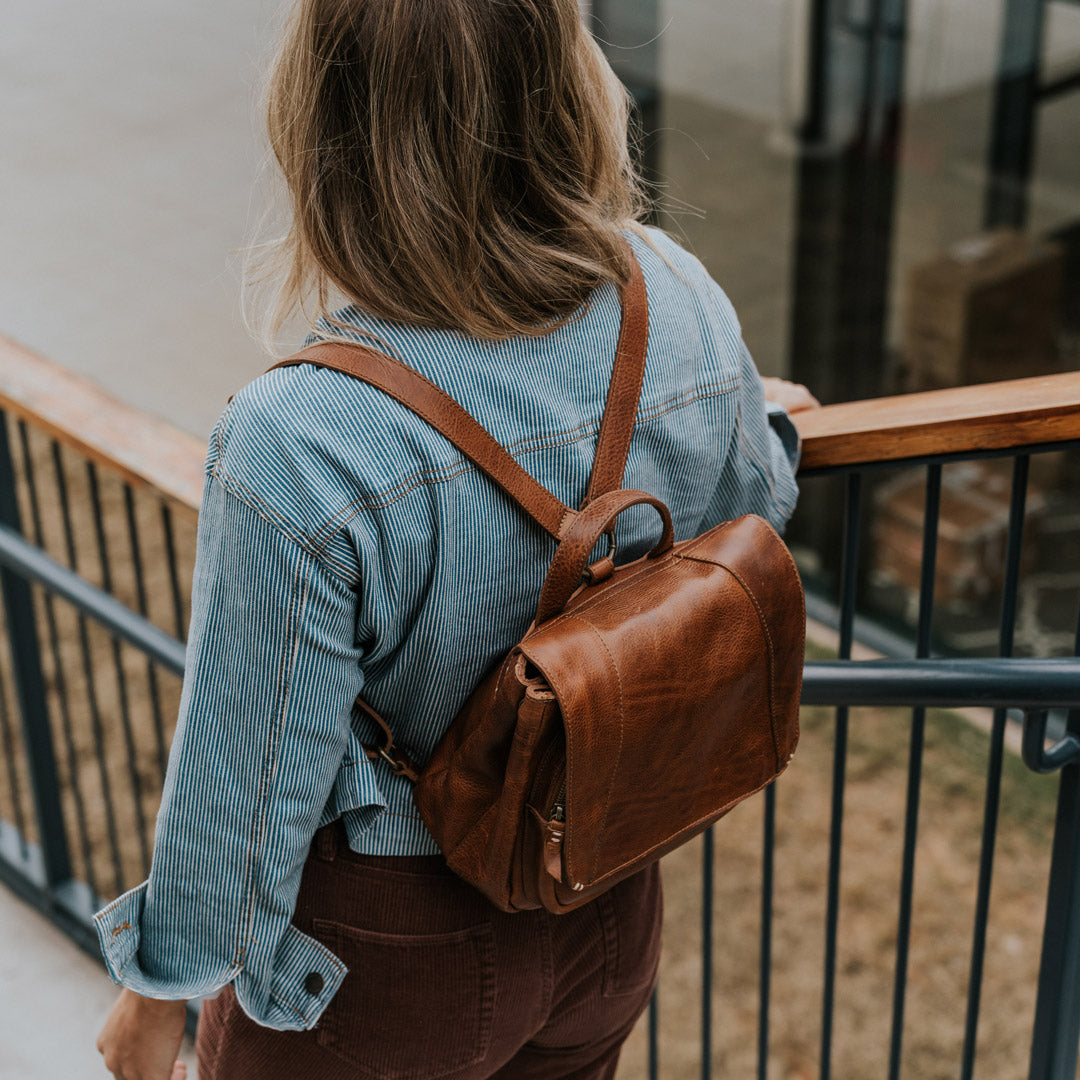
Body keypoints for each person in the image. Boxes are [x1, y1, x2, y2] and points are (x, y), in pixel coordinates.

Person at [93, 2, 819, 1078]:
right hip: (604, 897)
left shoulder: (298, 439)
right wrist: (758, 415)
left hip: (380, 961)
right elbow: (757, 501)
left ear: (327, 126)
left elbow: (239, 819)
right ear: (570, 85)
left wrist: (154, 990)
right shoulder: (671, 292)